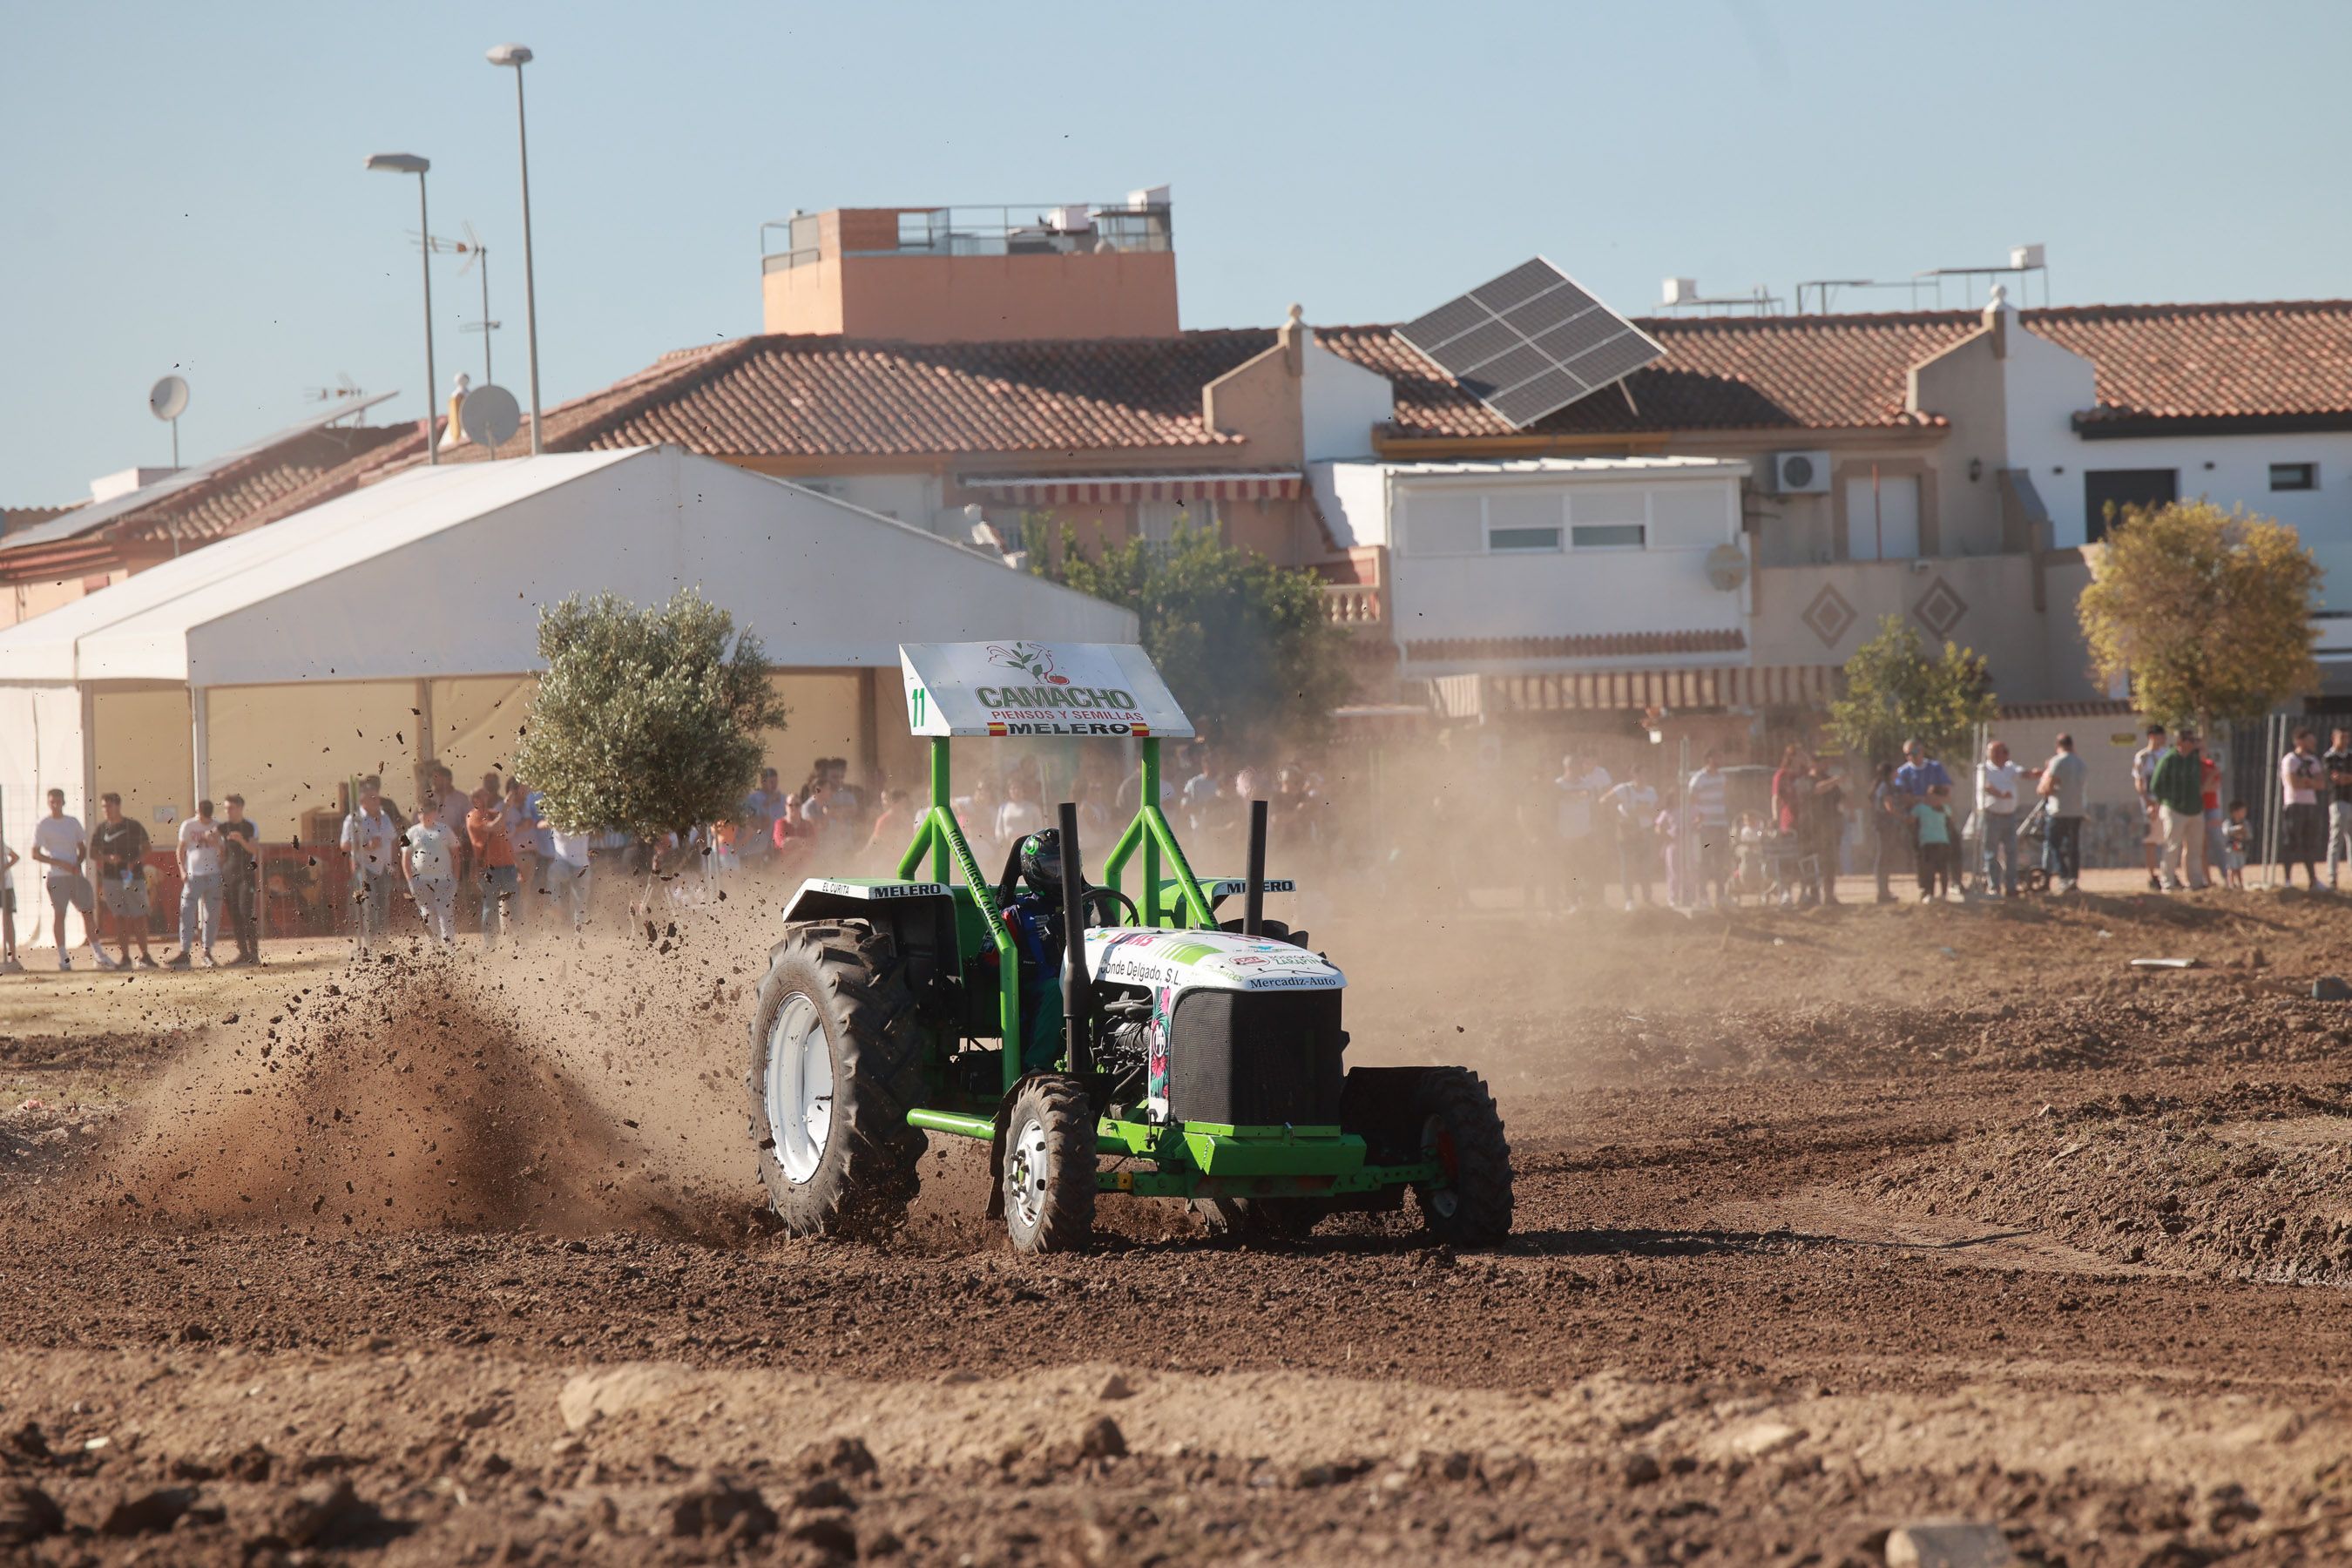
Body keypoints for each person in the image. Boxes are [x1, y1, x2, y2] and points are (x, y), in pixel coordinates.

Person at [30, 789, 101, 970]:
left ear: (63, 802)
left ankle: (99, 954)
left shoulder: (72, 822)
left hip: (75, 874)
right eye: (52, 802)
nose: (55, 805)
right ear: (48, 803)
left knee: (87, 913)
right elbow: (35, 854)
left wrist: (77, 863)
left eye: (58, 801)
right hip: (56, 877)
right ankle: (64, 958)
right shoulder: (43, 825)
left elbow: (82, 848)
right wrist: (59, 863)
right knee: (60, 915)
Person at [90, 793, 155, 970]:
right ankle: (125, 957)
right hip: (112, 879)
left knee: (139, 917)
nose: (106, 810)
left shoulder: (133, 826)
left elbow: (147, 847)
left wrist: (135, 862)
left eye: (109, 806)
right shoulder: (101, 829)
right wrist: (107, 858)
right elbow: (93, 853)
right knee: (119, 917)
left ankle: (145, 956)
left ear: (118, 806)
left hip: (133, 876)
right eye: (103, 807)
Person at [340, 776, 401, 952]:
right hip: (365, 868)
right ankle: (370, 942)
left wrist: (394, 864)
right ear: (363, 801)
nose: (377, 801)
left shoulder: (385, 816)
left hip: (384, 868)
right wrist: (366, 846)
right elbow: (344, 845)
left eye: (377, 797)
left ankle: (382, 939)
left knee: (383, 905)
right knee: (370, 905)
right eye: (372, 798)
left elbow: (392, 840)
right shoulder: (354, 819)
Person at [166, 798, 224, 967]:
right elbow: (181, 849)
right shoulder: (188, 825)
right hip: (193, 875)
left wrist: (215, 842)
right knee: (186, 912)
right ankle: (185, 951)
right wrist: (183, 871)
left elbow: (224, 851)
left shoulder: (218, 826)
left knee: (211, 915)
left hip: (213, 874)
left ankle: (207, 951)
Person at [2149, 729, 2209, 892]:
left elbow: (2207, 768)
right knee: (2171, 847)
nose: (2193, 743)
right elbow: (2156, 784)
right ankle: (2167, 883)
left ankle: (2195, 882)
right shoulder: (2169, 759)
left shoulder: (2195, 759)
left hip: (2195, 809)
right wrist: (2167, 801)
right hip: (2174, 809)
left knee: (2194, 849)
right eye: (2190, 740)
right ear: (2180, 742)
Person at [1553, 753, 1612, 912]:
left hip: (1585, 834)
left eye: (1578, 767)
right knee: (1569, 871)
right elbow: (1552, 811)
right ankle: (1571, 902)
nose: (1577, 771)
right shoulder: (1558, 786)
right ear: (1566, 768)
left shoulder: (1587, 785)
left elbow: (1594, 808)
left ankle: (1591, 901)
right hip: (1565, 835)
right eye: (1573, 768)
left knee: (1588, 869)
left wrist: (1596, 829)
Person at [1975, 740, 2031, 899]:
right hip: (1991, 816)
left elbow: (2023, 773)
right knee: (1991, 853)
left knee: (2011, 852)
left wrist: (2038, 774)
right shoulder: (1983, 768)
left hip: (2009, 816)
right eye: (1999, 752)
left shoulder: (2010, 766)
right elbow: (1985, 786)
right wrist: (2001, 794)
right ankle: (1994, 887)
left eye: (2005, 751)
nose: (2003, 755)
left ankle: (2011, 887)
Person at [1600, 765, 1659, 911]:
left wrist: (1647, 812)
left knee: (1645, 868)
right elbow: (1604, 800)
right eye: (1639, 775)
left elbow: (1657, 810)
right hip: (1628, 832)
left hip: (1645, 832)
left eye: (1645, 774)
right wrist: (1618, 816)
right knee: (1628, 866)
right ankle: (1629, 900)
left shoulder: (1651, 792)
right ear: (1633, 775)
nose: (1642, 778)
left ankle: (1647, 899)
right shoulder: (1624, 789)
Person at [402, 796, 459, 945]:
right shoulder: (412, 832)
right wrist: (410, 880)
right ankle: (434, 947)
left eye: (427, 811)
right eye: (421, 812)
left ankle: (449, 948)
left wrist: (455, 878)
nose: (424, 815)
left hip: (443, 879)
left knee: (445, 914)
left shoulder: (445, 830)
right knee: (427, 914)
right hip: (420, 881)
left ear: (435, 813)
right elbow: (406, 858)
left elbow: (456, 855)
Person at [467, 786, 520, 950]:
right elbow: (494, 827)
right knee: (490, 906)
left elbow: (505, 839)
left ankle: (521, 941)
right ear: (476, 799)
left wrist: (516, 864)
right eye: (483, 794)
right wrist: (505, 805)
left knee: (516, 904)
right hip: (489, 868)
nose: (487, 796)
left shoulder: (495, 813)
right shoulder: (473, 816)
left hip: (508, 866)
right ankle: (489, 945)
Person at [2037, 734, 2088, 894]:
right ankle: (2073, 878)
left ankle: (2064, 876)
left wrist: (2043, 786)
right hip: (2077, 810)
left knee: (2054, 844)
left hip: (2058, 811)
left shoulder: (2057, 761)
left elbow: (2047, 788)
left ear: (2058, 745)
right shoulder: (2081, 763)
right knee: (2073, 847)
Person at [2281, 727, 2328, 890]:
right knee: (2291, 843)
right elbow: (2294, 783)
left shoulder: (2313, 760)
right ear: (2300, 741)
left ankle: (2313, 880)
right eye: (2309, 740)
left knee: (2310, 843)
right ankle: (2287, 880)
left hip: (2310, 805)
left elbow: (2321, 784)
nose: (2313, 743)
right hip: (2294, 805)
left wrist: (2307, 782)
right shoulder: (2290, 760)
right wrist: (2309, 782)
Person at [1685, 750, 1732, 907]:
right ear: (1708, 759)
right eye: (1716, 757)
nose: (1719, 759)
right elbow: (1691, 799)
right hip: (1706, 827)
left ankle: (1721, 896)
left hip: (1721, 824)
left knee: (1720, 861)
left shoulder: (1722, 777)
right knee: (1705, 861)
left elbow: (1725, 796)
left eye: (1720, 756)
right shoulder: (1699, 778)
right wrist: (1698, 816)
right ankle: (1703, 897)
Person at [218, 794, 260, 964]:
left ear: (240, 808)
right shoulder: (223, 827)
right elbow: (220, 850)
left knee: (246, 913)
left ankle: (254, 953)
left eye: (231, 808)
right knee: (235, 915)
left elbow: (254, 849)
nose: (228, 811)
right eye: (226, 808)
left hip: (246, 873)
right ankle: (243, 952)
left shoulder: (250, 826)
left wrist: (241, 840)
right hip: (229, 873)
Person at [2132, 724, 2171, 893]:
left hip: (2166, 802)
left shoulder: (2167, 755)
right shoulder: (2143, 756)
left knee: (2169, 838)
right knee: (2151, 840)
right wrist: (2148, 802)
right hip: (2149, 804)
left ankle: (2168, 873)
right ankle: (2152, 875)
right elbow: (2139, 780)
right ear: (2152, 736)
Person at [1869, 761, 1907, 904]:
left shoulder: (1883, 786)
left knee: (1885, 857)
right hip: (1885, 826)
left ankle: (1884, 891)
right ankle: (1883, 892)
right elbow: (1889, 806)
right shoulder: (1885, 787)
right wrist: (1903, 817)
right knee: (1884, 858)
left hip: (1884, 826)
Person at [1912, 785, 1958, 902]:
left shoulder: (1921, 808)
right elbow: (1952, 820)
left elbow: (1910, 820)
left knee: (1930, 869)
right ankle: (1943, 894)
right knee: (1942, 870)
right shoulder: (1945, 808)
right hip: (1942, 841)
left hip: (1928, 842)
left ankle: (1930, 894)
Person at [2327, 728, 2352, 889]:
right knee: (2336, 838)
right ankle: (2332, 876)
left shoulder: (2350, 756)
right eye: (2341, 738)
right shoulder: (2329, 758)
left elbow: (2344, 778)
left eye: (2347, 738)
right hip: (2338, 801)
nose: (2344, 741)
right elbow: (2337, 779)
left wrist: (2346, 778)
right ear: (2333, 738)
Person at [1893, 739, 1953, 806]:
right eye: (1907, 754)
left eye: (1914, 752)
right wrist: (1923, 800)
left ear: (1922, 750)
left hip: (1937, 810)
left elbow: (1948, 793)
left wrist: (1935, 799)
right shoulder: (1902, 772)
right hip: (1915, 813)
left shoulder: (1935, 767)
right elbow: (1903, 797)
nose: (1911, 756)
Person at [0, 830, 19, 972]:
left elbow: (15, 857)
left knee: (8, 920)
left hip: (5, 886)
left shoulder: (1, 843)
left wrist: (3, 870)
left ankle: (12, 956)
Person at [2225, 800, 2252, 891]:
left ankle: (2240, 884)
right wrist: (2236, 829)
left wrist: (2244, 832)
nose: (2244, 813)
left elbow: (2249, 835)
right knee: (2232, 868)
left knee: (2239, 868)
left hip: (2240, 849)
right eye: (2242, 811)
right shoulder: (2228, 822)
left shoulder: (2245, 823)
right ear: (2235, 812)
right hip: (2231, 849)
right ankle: (2231, 884)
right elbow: (2225, 831)